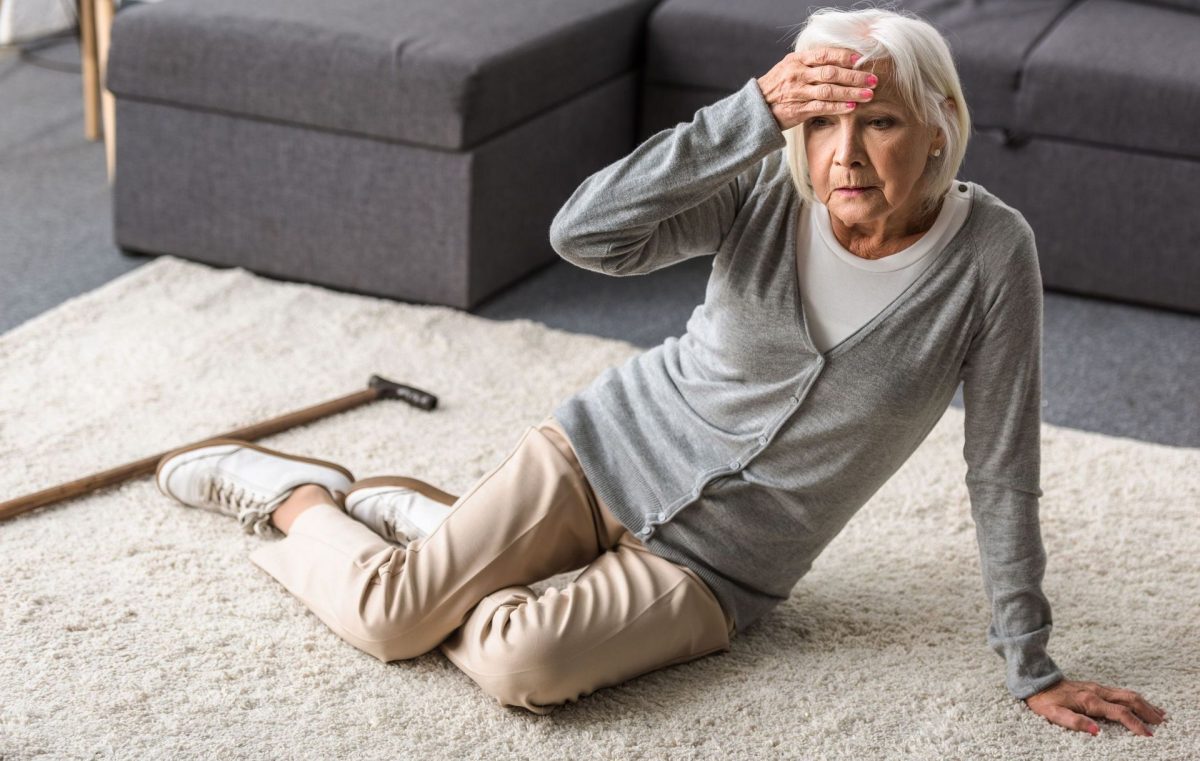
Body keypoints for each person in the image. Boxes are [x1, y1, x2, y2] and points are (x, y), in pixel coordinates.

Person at [155, 7, 1169, 733]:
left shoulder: (993, 253)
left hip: (719, 565)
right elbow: (581, 231)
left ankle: (436, 533)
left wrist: (1030, 662)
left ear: (941, 121)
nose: (844, 154)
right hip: (598, 452)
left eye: (882, 120)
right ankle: (296, 497)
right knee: (389, 619)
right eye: (820, 122)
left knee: (522, 659)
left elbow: (1000, 466)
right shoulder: (763, 188)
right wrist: (751, 115)